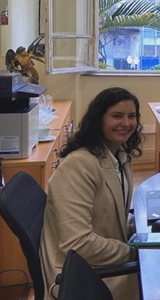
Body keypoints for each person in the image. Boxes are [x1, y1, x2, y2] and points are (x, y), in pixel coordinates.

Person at [40, 87, 143, 299]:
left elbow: (111, 213)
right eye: (117, 116)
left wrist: (147, 228)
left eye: (131, 116)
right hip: (81, 274)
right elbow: (77, 243)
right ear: (99, 120)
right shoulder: (79, 165)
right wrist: (135, 252)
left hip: (99, 260)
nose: (126, 123)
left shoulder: (119, 155)